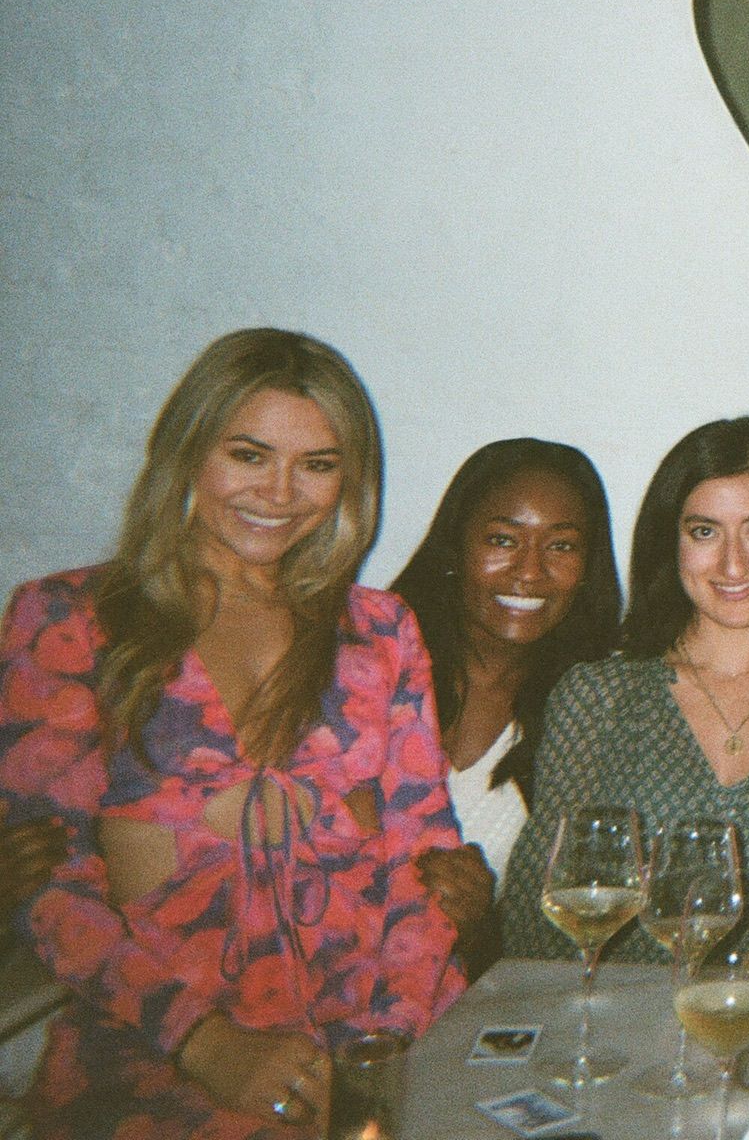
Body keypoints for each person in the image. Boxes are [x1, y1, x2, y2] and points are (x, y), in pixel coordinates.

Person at [0, 327, 475, 1138]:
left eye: (317, 465)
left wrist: (373, 1062)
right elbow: (51, 888)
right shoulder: (69, 622)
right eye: (248, 455)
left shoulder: (381, 632)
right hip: (153, 1069)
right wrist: (209, 1047)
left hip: (374, 1056)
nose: (280, 493)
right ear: (188, 450)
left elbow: (422, 870)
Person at [499, 416, 749, 961]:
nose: (733, 563)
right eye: (704, 532)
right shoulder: (599, 694)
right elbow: (532, 913)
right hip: (620, 1030)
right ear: (671, 545)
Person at [386, 438, 623, 965]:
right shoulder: (369, 671)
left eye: (561, 546)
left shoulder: (596, 716)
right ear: (454, 548)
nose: (530, 572)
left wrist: (481, 927)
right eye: (502, 539)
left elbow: (575, 951)